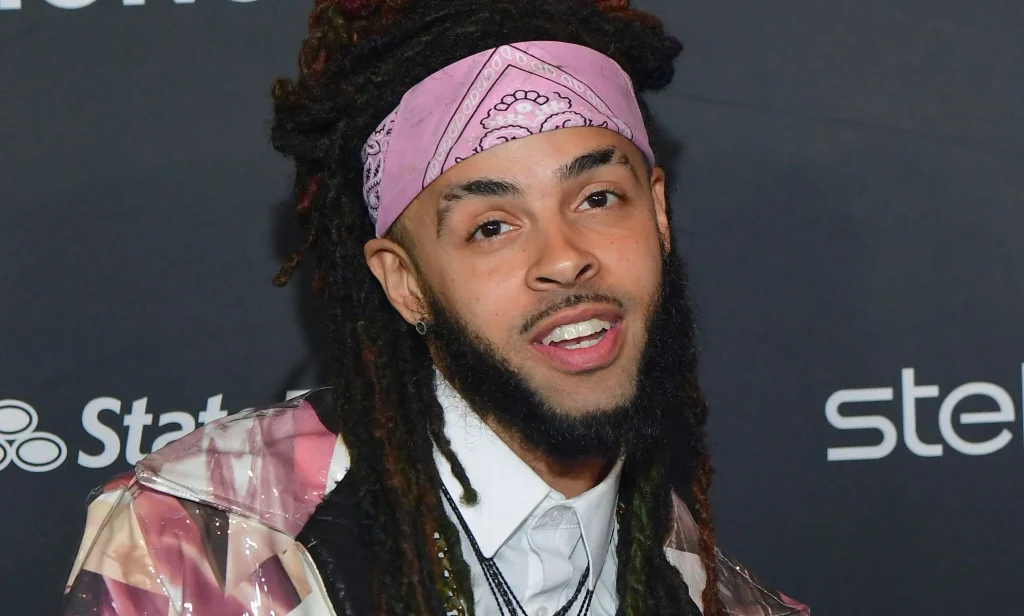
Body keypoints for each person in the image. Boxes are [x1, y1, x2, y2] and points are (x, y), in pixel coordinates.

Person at [62, 1, 810, 615]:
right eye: (491, 227)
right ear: (404, 281)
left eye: (597, 198)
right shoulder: (205, 544)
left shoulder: (722, 599)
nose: (563, 256)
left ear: (658, 213)